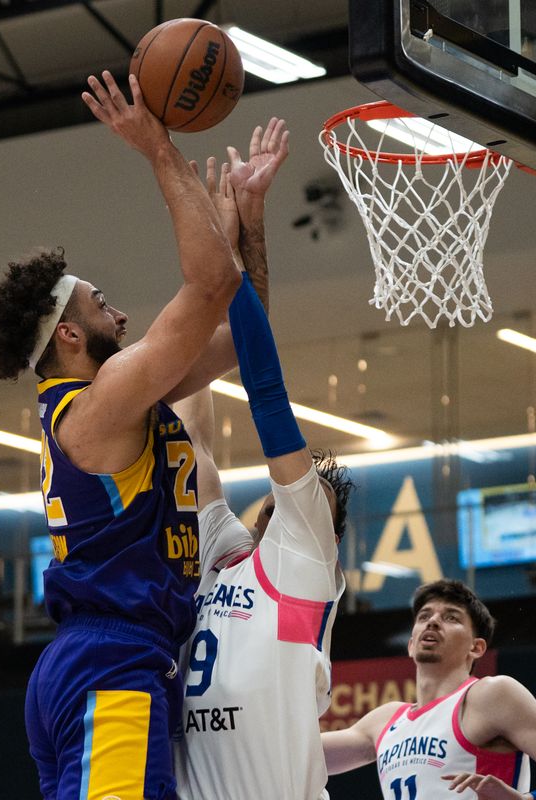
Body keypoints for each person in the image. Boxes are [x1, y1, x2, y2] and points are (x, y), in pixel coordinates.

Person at [0, 70, 246, 800]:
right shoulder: (101, 404)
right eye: (102, 305)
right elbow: (211, 286)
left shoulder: (117, 400)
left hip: (107, 655)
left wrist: (240, 220)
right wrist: (159, 149)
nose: (118, 316)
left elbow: (244, 330)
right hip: (110, 661)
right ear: (68, 335)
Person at [169, 135, 354, 799]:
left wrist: (233, 246)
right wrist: (210, 263)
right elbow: (194, 432)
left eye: (312, 500)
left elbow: (268, 397)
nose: (296, 499)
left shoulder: (304, 558)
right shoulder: (222, 551)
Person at [321, 580, 536, 800]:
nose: (434, 621)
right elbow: (301, 752)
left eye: (450, 617)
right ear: (411, 644)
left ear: (477, 647)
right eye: (425, 616)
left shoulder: (491, 696)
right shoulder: (384, 720)